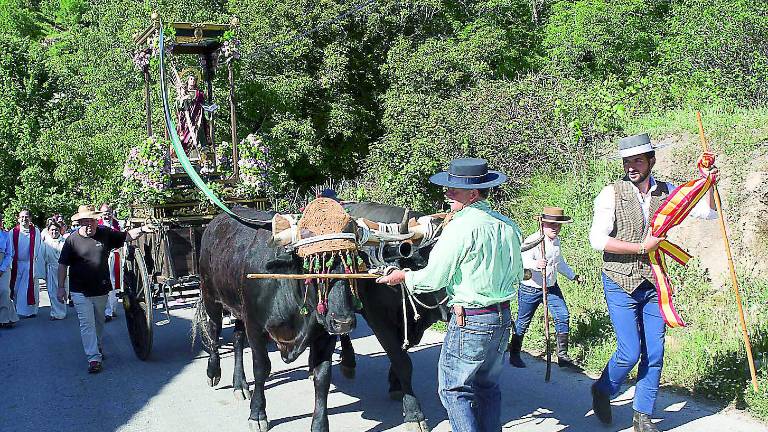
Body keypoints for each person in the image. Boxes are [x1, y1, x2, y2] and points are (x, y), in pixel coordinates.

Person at [377, 158, 522, 432]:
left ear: (473, 193)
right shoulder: (507, 225)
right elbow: (517, 274)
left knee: (454, 389)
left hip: (471, 319)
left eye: (453, 189)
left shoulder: (460, 227)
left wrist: (403, 276)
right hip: (502, 316)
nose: (447, 194)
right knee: (488, 386)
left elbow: (433, 279)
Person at [588, 133, 719, 432]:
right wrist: (639, 248)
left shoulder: (667, 191)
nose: (631, 166)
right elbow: (598, 240)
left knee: (655, 352)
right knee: (629, 351)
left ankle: (642, 416)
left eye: (637, 160)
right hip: (619, 280)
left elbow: (706, 213)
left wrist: (708, 182)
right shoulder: (611, 194)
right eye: (627, 161)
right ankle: (603, 388)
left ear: (651, 161)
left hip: (653, 281)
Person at [57, 205, 154, 373]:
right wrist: (60, 287)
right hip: (79, 290)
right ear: (79, 222)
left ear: (96, 221)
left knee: (99, 321)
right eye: (85, 222)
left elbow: (127, 236)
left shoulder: (105, 233)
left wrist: (143, 229)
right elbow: (62, 265)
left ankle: (98, 345)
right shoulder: (72, 240)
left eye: (91, 221)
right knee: (87, 324)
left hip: (101, 289)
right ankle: (93, 358)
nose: (89, 225)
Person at [508, 206, 583, 369]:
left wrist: (573, 276)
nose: (555, 228)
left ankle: (562, 355)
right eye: (551, 225)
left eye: (558, 225)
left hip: (550, 287)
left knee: (562, 315)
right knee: (523, 321)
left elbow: (559, 263)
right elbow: (520, 261)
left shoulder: (556, 242)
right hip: (531, 287)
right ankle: (514, 353)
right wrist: (536, 264)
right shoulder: (533, 240)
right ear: (542, 224)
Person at [10, 209, 43, 318]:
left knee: (29, 288)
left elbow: (38, 247)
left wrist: (35, 263)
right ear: (18, 219)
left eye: (26, 216)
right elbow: (10, 249)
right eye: (22, 217)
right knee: (16, 288)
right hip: (17, 264)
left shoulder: (35, 231)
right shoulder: (13, 232)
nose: (24, 219)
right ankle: (16, 310)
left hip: (30, 264)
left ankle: (30, 311)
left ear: (30, 218)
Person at [176, 74, 211, 156]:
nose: (192, 81)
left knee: (200, 128)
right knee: (186, 135)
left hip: (197, 116)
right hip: (186, 118)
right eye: (191, 79)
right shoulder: (183, 93)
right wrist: (182, 100)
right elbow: (178, 106)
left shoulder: (199, 94)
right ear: (187, 81)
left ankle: (203, 146)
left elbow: (204, 105)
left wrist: (209, 111)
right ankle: (185, 151)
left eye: (194, 79)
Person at [98, 204, 122, 322]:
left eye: (108, 212)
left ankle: (113, 308)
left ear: (112, 212)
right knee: (106, 282)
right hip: (104, 256)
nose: (106, 215)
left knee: (115, 283)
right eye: (104, 213)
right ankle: (107, 311)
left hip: (117, 255)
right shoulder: (98, 225)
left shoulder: (118, 224)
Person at [41, 221, 67, 320]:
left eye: (56, 230)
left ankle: (62, 311)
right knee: (52, 292)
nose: (54, 232)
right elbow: (41, 258)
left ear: (59, 230)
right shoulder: (45, 244)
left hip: (63, 270)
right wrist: (42, 273)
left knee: (63, 290)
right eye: (52, 230)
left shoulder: (65, 242)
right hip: (51, 270)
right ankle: (55, 313)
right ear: (48, 231)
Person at [0, 221, 19, 328]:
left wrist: (2, 269)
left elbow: (9, 254)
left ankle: (5, 318)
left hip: (4, 265)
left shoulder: (6, 235)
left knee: (4, 290)